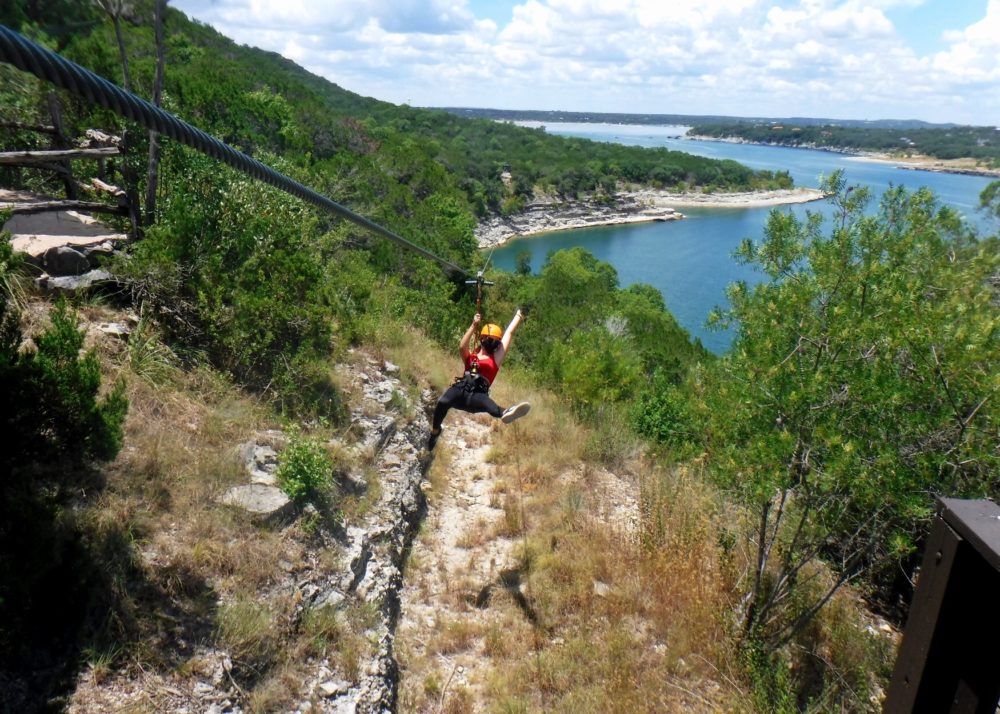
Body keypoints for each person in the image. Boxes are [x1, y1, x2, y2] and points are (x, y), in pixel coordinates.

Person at [428, 308, 530, 450]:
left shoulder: (495, 358)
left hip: (478, 395)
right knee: (443, 402)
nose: (493, 343)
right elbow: (462, 346)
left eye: (496, 341)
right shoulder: (471, 357)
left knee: (491, 407)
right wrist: (473, 325)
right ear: (482, 339)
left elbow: (509, 333)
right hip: (461, 390)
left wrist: (519, 315)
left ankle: (507, 412)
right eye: (491, 339)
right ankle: (436, 431)